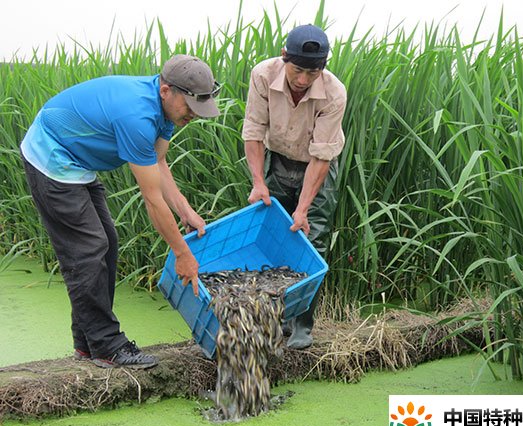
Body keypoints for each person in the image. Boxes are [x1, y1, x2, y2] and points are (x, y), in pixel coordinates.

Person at [20, 55, 220, 369]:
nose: (194, 116)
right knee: (88, 248)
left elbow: (159, 163)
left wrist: (186, 210)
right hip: (52, 157)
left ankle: (87, 342)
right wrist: (182, 253)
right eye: (191, 108)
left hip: (78, 163)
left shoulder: (166, 109)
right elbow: (152, 199)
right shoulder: (137, 116)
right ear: (167, 90)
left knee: (108, 242)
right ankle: (106, 346)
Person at [242, 24, 347, 349]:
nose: (303, 79)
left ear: (322, 69)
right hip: (279, 159)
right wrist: (259, 183)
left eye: (312, 72)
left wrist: (302, 210)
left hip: (317, 166)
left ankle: (301, 323)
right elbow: (254, 131)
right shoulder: (263, 75)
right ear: (285, 58)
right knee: (273, 235)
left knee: (310, 239)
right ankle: (274, 319)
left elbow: (321, 156)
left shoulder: (334, 92)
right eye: (298, 70)